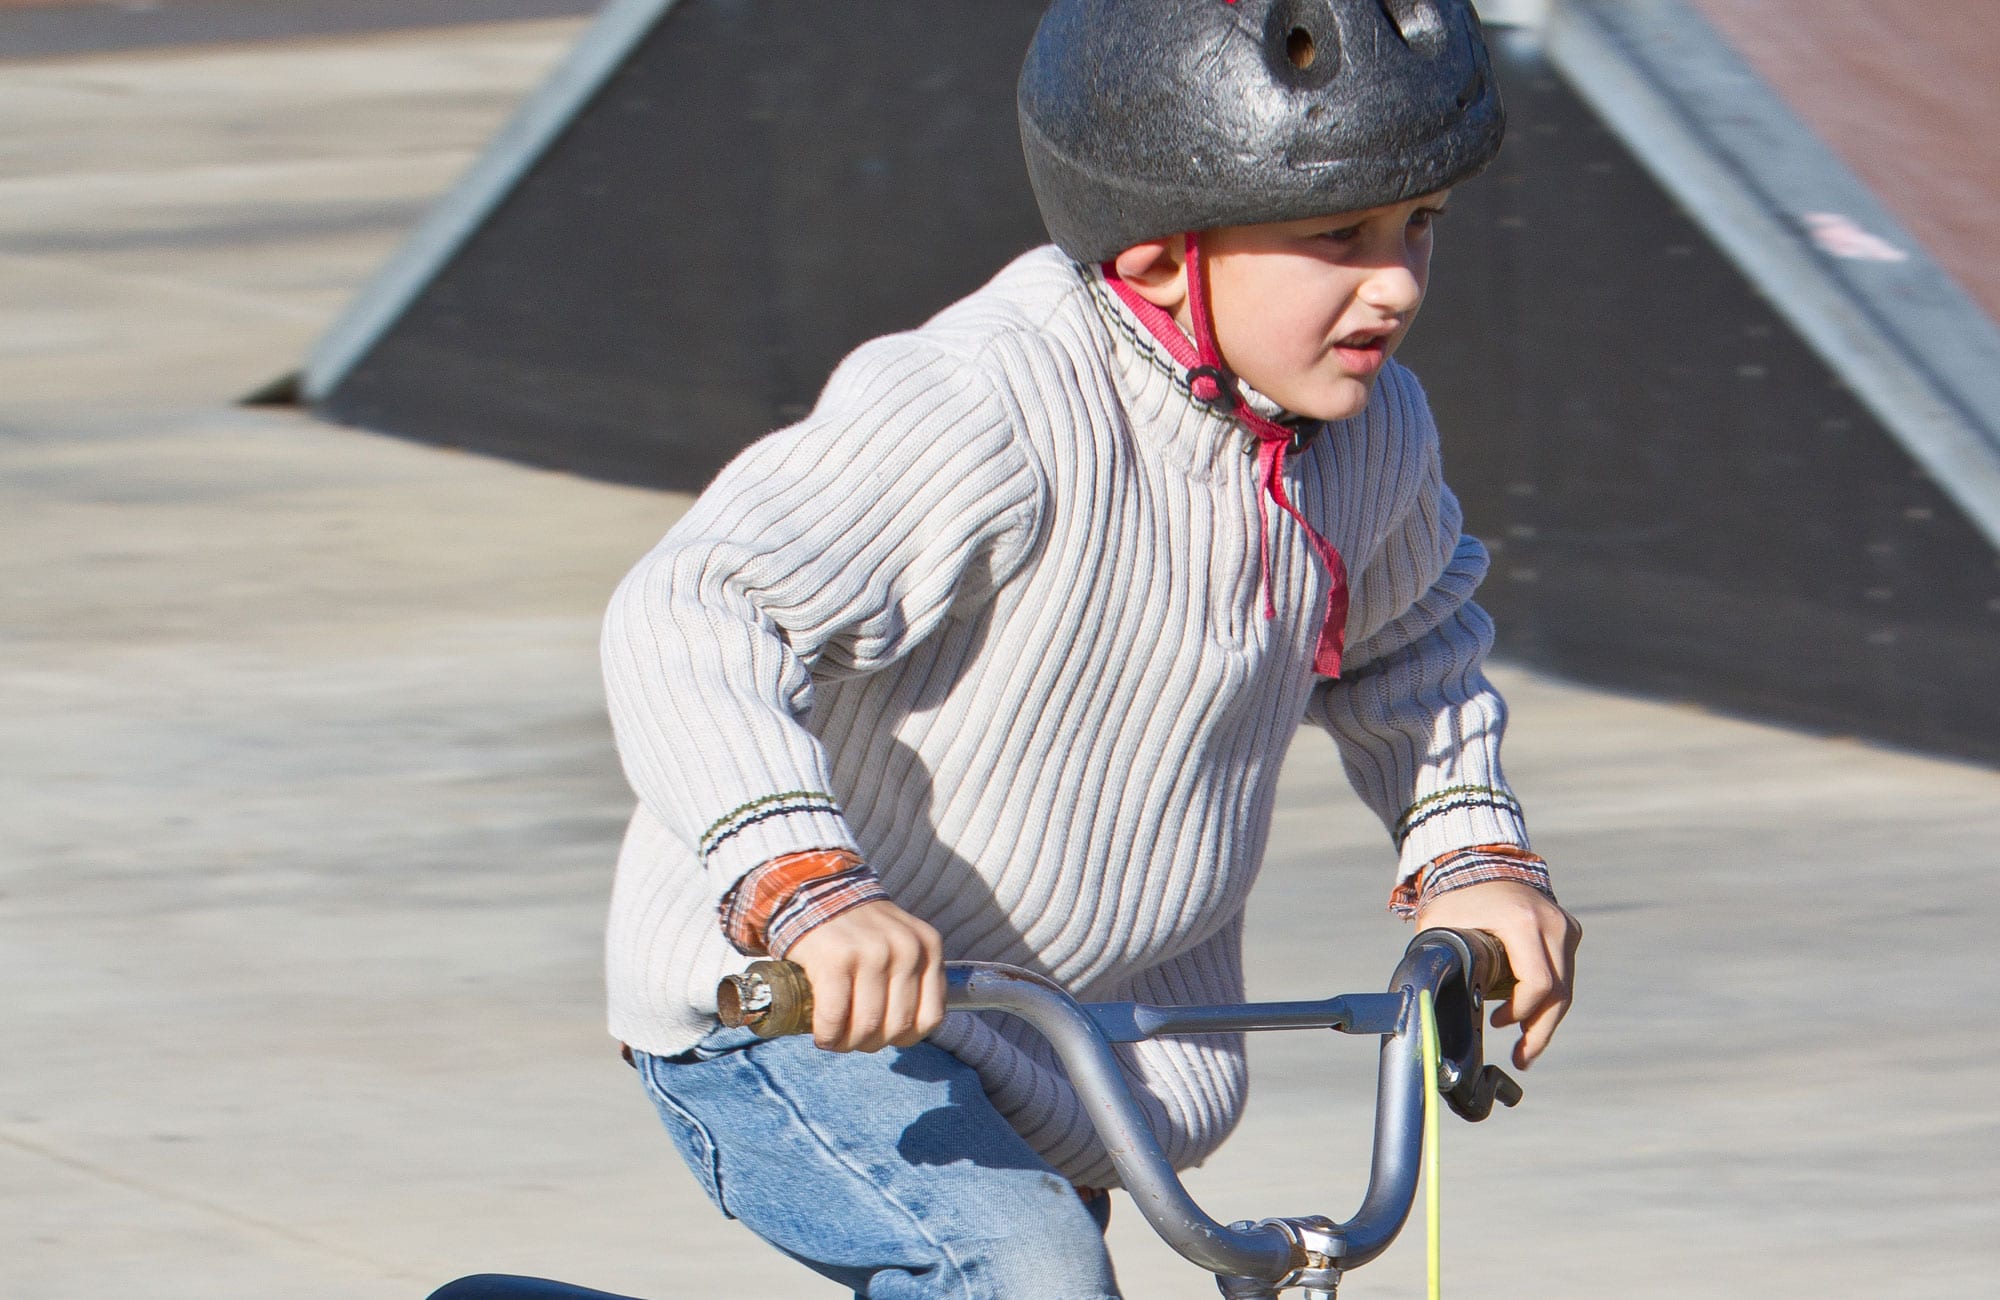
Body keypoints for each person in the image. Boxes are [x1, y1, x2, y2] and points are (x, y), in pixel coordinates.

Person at [599, 2, 1581, 1295]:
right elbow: (697, 608)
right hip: (796, 1003)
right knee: (1030, 1277)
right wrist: (808, 887)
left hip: (1065, 1038)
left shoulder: (1372, 432)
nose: (1394, 282)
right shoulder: (991, 401)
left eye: (1420, 226)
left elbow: (1416, 654)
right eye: (1338, 235)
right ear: (1163, 255)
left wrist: (1471, 856)